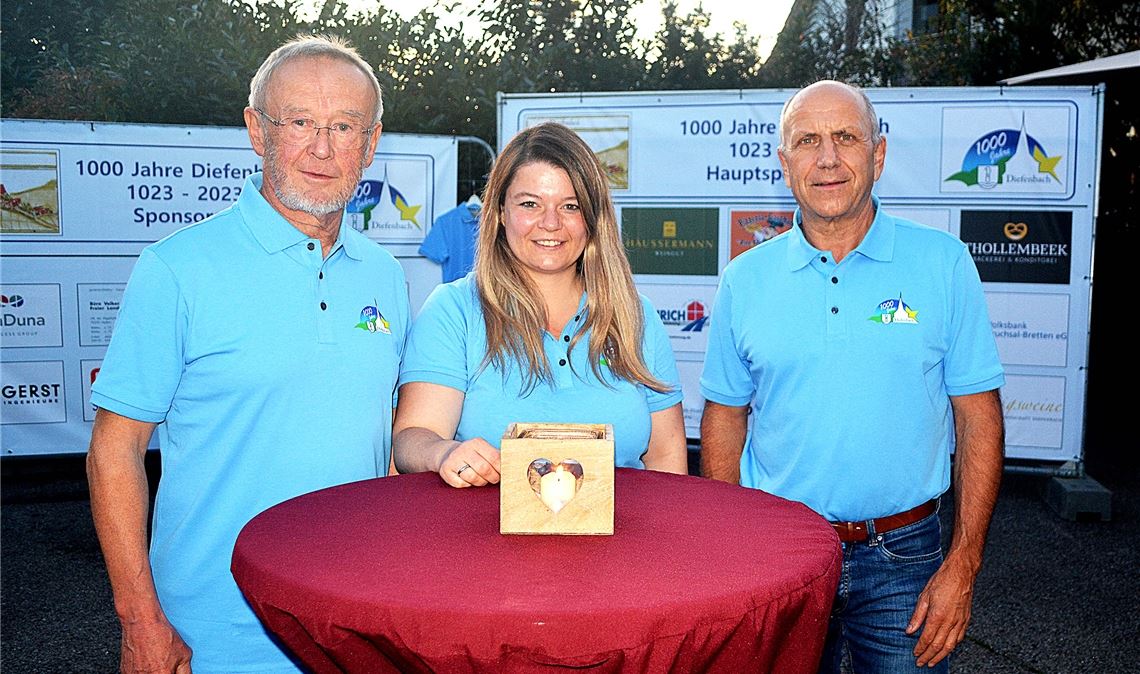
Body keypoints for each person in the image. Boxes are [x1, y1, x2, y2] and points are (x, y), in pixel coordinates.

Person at [86, 34, 409, 673]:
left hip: (351, 629)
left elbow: (386, 450)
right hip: (212, 634)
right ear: (256, 131)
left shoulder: (387, 277)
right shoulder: (176, 270)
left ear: (370, 145)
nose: (322, 147)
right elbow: (113, 452)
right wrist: (142, 621)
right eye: (300, 123)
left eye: (344, 126)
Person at [699, 80, 1005, 673]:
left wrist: (963, 566)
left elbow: (979, 417)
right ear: (785, 164)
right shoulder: (745, 278)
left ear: (879, 154)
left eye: (846, 137)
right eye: (808, 141)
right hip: (779, 552)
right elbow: (724, 417)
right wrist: (733, 549)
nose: (829, 158)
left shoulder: (943, 264)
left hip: (905, 559)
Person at [393, 122, 688, 485]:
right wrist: (442, 452)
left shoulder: (635, 316)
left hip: (623, 538)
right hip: (485, 538)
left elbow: (667, 455)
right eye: (530, 203)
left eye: (570, 206)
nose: (550, 223)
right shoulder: (455, 310)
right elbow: (413, 438)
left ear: (593, 219)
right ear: (501, 212)